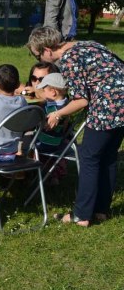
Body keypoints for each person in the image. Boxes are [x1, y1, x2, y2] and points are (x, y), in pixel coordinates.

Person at [27, 26, 124, 226]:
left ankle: (81, 215)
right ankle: (101, 211)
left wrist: (57, 113)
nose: (39, 59)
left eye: (37, 55)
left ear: (47, 50)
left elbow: (81, 100)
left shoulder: (69, 59)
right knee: (108, 157)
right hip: (121, 105)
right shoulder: (88, 44)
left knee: (89, 158)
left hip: (107, 107)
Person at [33, 72, 70, 185]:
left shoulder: (51, 110)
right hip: (58, 142)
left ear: (53, 92)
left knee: (24, 142)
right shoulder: (66, 105)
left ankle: (27, 174)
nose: (43, 93)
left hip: (46, 143)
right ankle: (53, 175)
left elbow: (45, 126)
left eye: (44, 90)